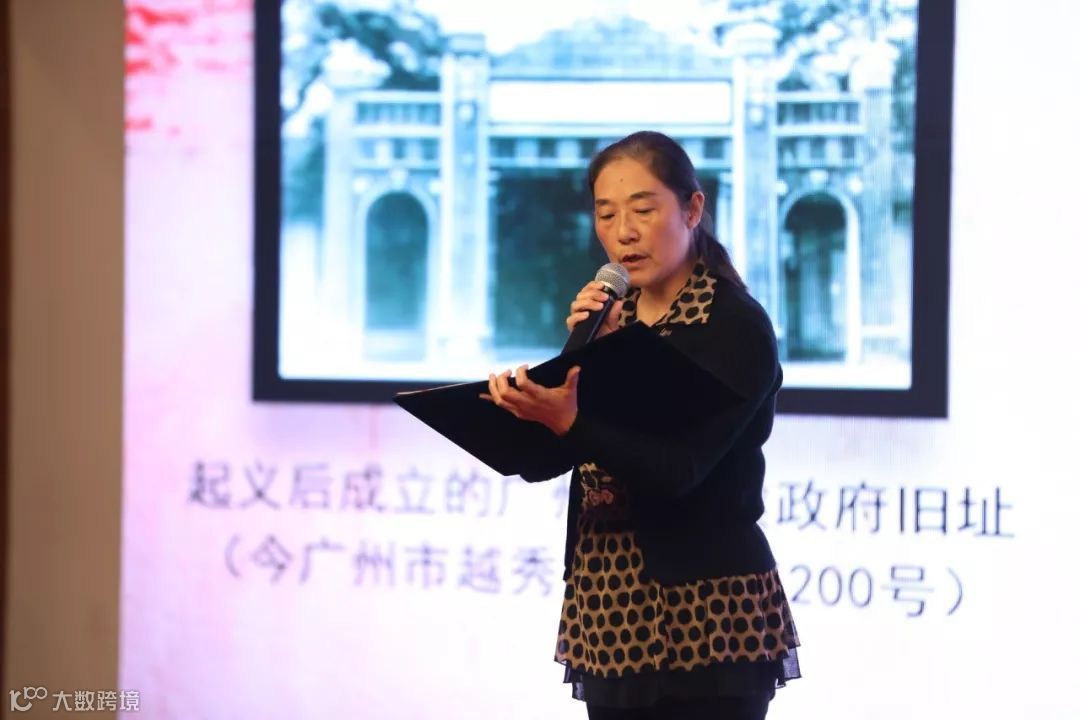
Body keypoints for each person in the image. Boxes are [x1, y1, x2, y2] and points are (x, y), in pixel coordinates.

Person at [483, 131, 800, 719]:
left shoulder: (731, 324)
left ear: (692, 209)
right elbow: (547, 458)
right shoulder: (612, 318)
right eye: (607, 214)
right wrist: (525, 407)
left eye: (643, 210)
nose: (623, 231)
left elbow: (677, 471)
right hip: (610, 609)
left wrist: (573, 419)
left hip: (708, 617)